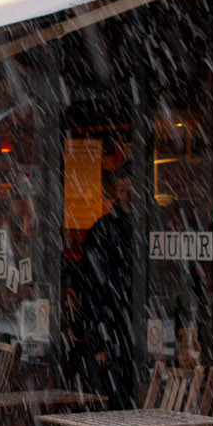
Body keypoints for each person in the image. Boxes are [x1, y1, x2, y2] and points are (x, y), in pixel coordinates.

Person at [71, 174, 140, 408]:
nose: (127, 193)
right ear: (117, 190)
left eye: (131, 187)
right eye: (123, 187)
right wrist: (98, 341)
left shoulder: (146, 226)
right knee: (114, 402)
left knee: (128, 400)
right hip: (112, 330)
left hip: (135, 331)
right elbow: (90, 287)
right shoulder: (103, 230)